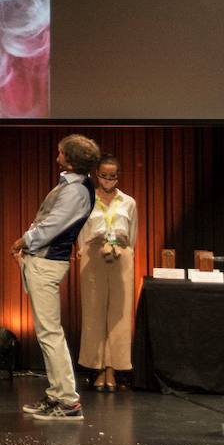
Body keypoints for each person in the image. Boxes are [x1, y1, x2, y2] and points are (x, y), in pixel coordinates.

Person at [11, 133, 97, 420]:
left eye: (61, 153)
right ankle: (57, 394)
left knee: (50, 333)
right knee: (48, 332)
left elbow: (51, 227)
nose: (57, 156)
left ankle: (68, 401)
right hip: (46, 261)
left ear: (71, 161)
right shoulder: (73, 186)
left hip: (48, 263)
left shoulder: (76, 191)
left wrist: (23, 240)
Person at [77, 153, 137, 391]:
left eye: (113, 176)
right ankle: (97, 367)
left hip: (120, 255)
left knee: (119, 314)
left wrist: (125, 251)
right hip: (93, 256)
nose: (108, 180)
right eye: (104, 176)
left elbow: (133, 235)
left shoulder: (128, 202)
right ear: (96, 175)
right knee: (94, 313)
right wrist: (83, 250)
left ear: (118, 176)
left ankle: (113, 367)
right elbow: (81, 230)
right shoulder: (88, 200)